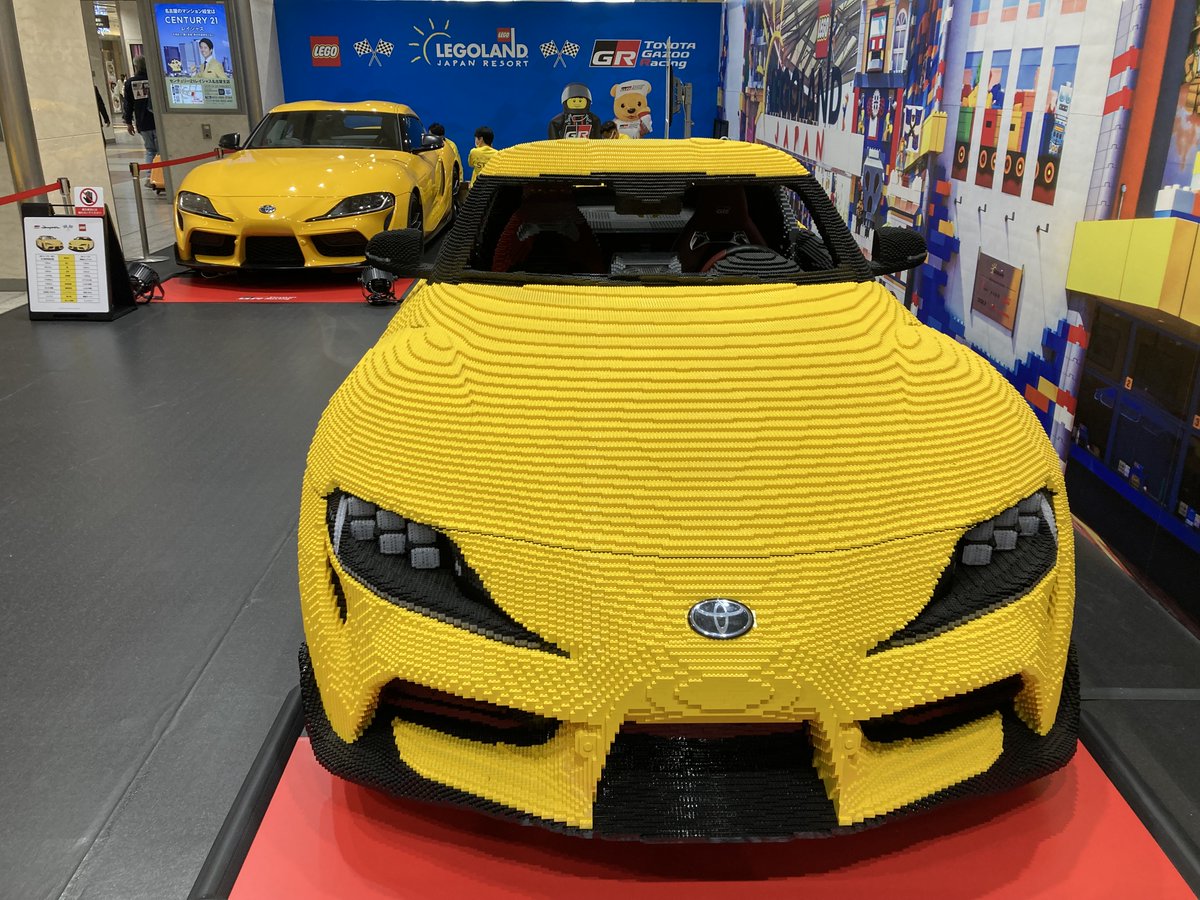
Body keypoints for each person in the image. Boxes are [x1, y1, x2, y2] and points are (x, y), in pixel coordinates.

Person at [124, 57, 157, 189]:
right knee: (161, 151)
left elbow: (128, 104)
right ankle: (163, 176)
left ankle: (150, 177)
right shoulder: (154, 79)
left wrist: (128, 122)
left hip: (142, 122)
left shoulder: (130, 83)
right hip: (157, 121)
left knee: (150, 150)